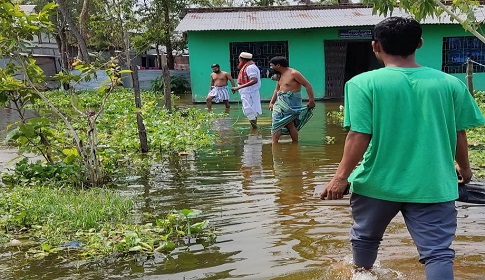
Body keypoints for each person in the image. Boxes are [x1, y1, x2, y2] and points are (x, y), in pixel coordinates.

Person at [319, 17, 485, 279]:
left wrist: (340, 178)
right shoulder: (450, 84)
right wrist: (465, 169)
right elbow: (458, 135)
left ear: (375, 46)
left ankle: (363, 275)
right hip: (433, 184)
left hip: (377, 182)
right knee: (438, 253)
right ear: (419, 43)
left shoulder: (362, 83)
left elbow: (358, 135)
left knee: (365, 238)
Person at [268, 56, 315, 144]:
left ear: (278, 65)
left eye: (271, 65)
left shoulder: (294, 73)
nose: (270, 68)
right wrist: (272, 102)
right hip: (280, 103)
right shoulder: (279, 75)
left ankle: (295, 144)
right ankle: (274, 145)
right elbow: (277, 90)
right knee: (276, 124)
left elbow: (308, 85)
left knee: (290, 124)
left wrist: (311, 100)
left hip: (291, 103)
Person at [231, 52, 262, 129]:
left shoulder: (250, 67)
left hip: (250, 93)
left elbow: (254, 80)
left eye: (239, 59)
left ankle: (254, 129)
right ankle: (254, 129)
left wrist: (238, 88)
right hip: (247, 92)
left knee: (250, 111)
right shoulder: (247, 67)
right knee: (251, 111)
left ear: (242, 59)